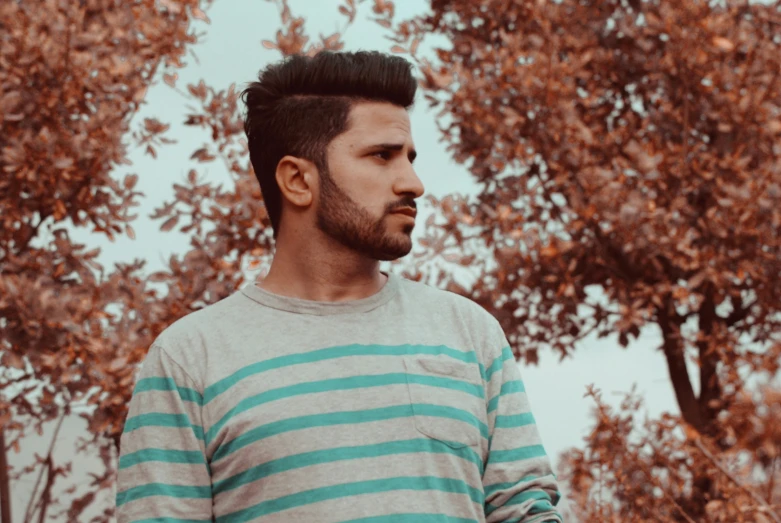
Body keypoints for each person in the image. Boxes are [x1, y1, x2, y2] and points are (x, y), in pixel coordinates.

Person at [115, 50, 563, 523]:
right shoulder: (190, 358)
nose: (413, 183)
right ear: (297, 180)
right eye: (381, 156)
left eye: (409, 158)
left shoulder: (469, 333)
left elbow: (525, 511)